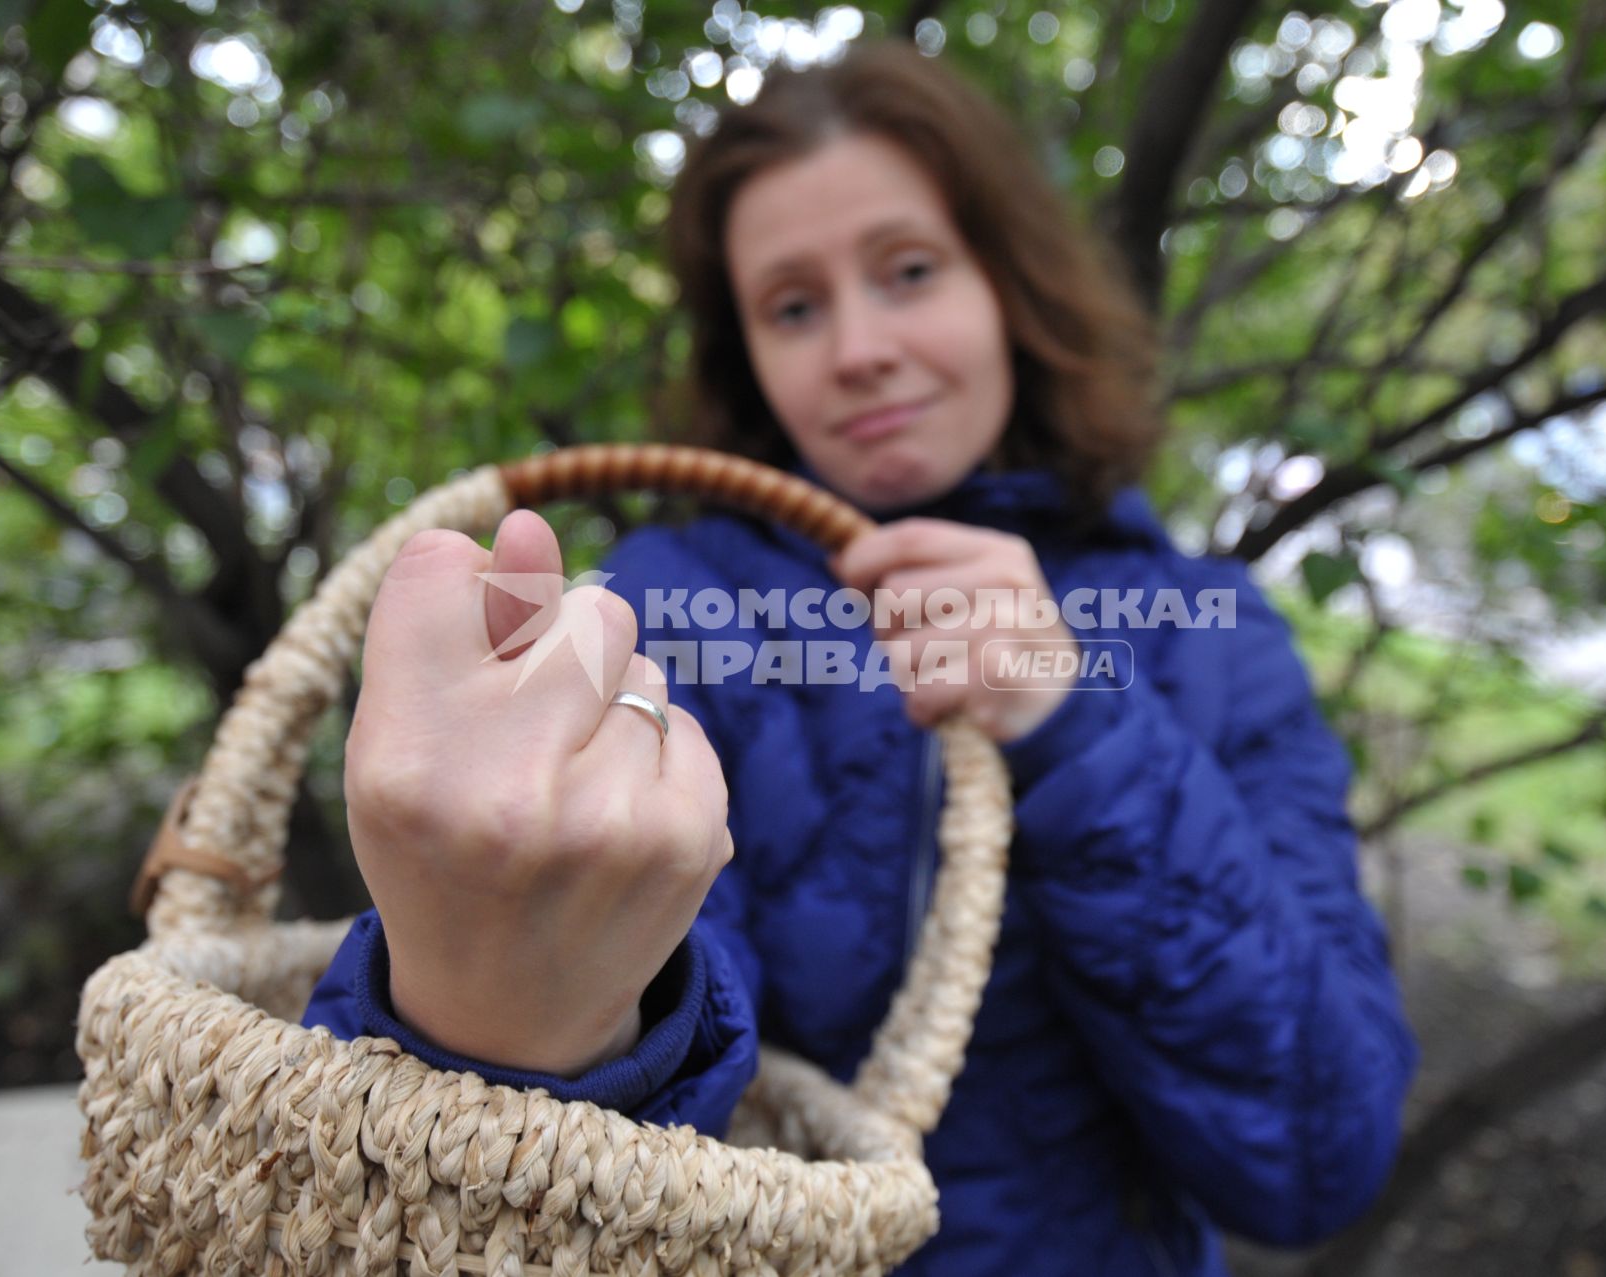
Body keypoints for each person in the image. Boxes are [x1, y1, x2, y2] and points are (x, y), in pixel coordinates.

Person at [303, 40, 1418, 1275]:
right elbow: (561, 1164)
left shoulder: (1207, 632)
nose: (857, 348)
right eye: (792, 304)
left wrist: (1080, 724)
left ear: (1009, 283)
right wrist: (525, 1003)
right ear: (749, 355)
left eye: (909, 270)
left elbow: (1318, 1156)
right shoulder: (673, 606)